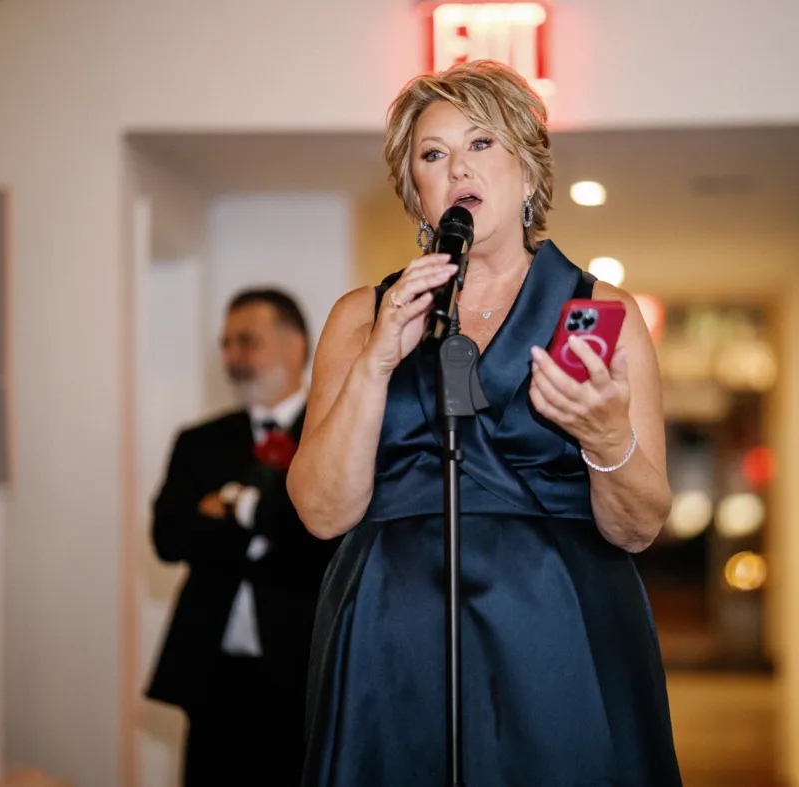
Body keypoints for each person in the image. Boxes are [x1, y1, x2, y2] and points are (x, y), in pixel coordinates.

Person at [287, 60, 683, 786]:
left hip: (558, 621)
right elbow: (319, 511)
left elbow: (638, 526)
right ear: (416, 193)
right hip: (392, 628)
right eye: (432, 156)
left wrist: (603, 439)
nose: (456, 168)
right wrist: (377, 364)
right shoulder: (361, 316)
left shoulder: (595, 313)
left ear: (529, 173)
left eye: (480, 145)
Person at [145, 288, 340, 787]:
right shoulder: (200, 442)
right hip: (214, 676)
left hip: (303, 671)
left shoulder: (334, 433)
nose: (231, 357)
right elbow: (169, 537)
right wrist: (270, 526)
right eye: (226, 344)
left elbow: (328, 540)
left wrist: (232, 508)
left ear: (296, 346)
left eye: (246, 341)